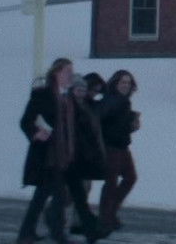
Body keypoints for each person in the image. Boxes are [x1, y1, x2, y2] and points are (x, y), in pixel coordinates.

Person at [17, 58, 103, 244]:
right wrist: (35, 133)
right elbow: (25, 121)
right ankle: (58, 235)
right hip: (51, 156)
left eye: (72, 71)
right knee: (58, 196)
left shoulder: (69, 97)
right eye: (67, 71)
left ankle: (27, 233)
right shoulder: (43, 95)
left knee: (51, 196)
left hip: (69, 156)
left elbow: (79, 123)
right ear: (57, 73)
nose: (71, 75)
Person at [61, 76, 107, 240]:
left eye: (96, 91)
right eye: (92, 90)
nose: (93, 93)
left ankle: (79, 225)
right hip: (72, 157)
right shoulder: (69, 105)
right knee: (72, 193)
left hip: (84, 157)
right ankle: (63, 223)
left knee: (83, 191)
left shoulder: (89, 106)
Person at [98, 69, 140, 233]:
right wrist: (130, 123)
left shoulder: (122, 101)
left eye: (128, 83)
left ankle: (109, 214)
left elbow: (119, 124)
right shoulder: (113, 100)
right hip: (111, 147)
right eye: (123, 82)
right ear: (115, 83)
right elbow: (105, 121)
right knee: (112, 182)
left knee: (129, 178)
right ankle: (105, 218)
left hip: (121, 146)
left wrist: (131, 122)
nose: (126, 85)